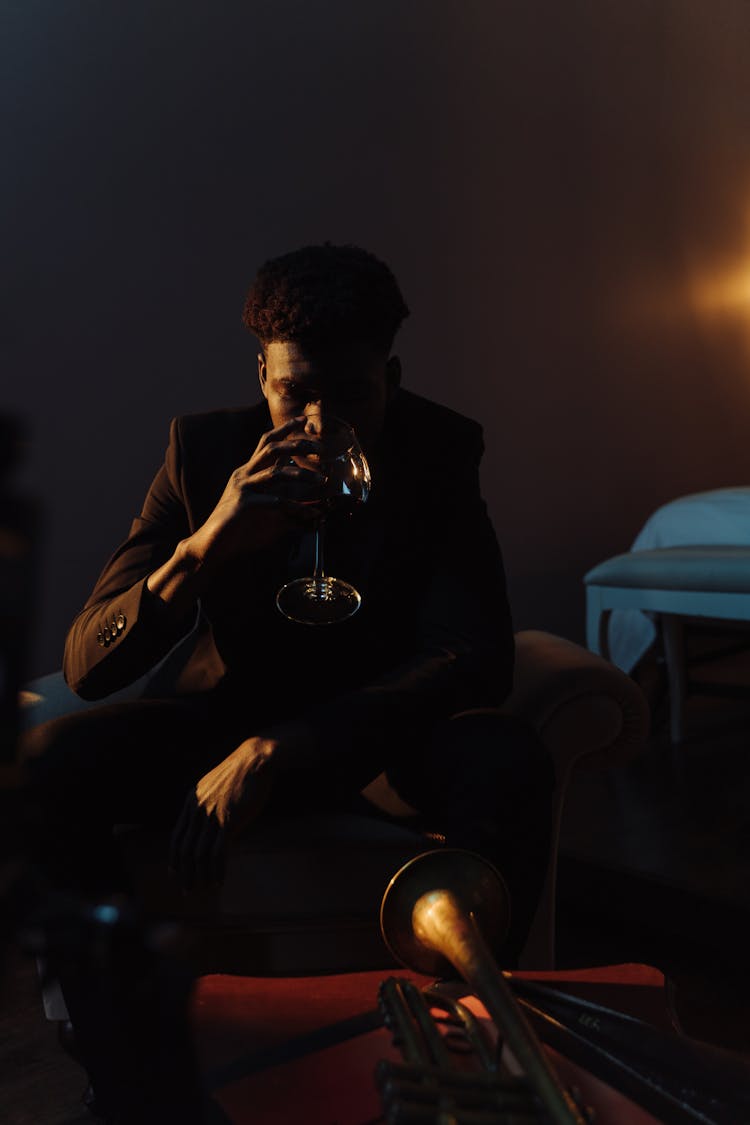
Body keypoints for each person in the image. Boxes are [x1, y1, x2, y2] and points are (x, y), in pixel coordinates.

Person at [22, 243, 554, 967]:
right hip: (224, 722)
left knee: (506, 754)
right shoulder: (203, 453)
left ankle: (474, 1021)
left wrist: (287, 744)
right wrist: (205, 547)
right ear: (262, 376)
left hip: (377, 743)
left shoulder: (439, 451)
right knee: (50, 761)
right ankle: (128, 1022)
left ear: (390, 378)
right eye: (293, 393)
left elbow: (474, 654)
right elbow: (86, 666)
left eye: (351, 395)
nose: (316, 423)